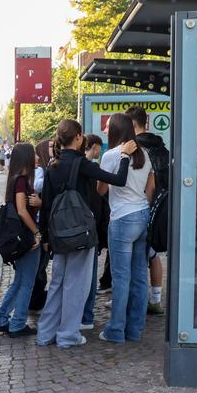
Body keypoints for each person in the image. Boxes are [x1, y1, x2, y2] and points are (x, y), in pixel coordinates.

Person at [36, 120, 136, 348]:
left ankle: (45, 334)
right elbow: (118, 180)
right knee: (76, 285)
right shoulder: (82, 164)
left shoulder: (53, 165)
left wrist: (45, 237)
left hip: (58, 234)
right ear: (79, 137)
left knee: (57, 283)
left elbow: (47, 205)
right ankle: (68, 336)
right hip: (80, 233)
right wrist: (124, 156)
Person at [96, 113, 154, 344]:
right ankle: (134, 329)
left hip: (121, 217)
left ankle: (116, 330)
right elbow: (150, 188)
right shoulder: (145, 154)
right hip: (141, 214)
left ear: (115, 131)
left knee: (121, 277)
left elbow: (100, 190)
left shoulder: (110, 155)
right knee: (140, 276)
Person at [0, 143, 42, 336]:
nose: (37, 157)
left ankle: (1, 318)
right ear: (27, 158)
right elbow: (22, 210)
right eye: (35, 154)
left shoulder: (15, 179)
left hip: (21, 236)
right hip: (27, 237)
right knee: (26, 282)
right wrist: (36, 232)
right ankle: (18, 323)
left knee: (19, 281)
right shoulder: (21, 181)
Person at [125, 105, 168, 315]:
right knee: (153, 254)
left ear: (132, 125)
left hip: (140, 204)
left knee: (136, 256)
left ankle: (134, 300)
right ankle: (156, 299)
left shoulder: (134, 148)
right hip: (161, 204)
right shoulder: (161, 147)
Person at [81, 133, 111, 329]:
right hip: (90, 227)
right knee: (89, 275)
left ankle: (82, 315)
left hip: (78, 228)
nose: (100, 151)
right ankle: (87, 316)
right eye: (99, 147)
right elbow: (99, 196)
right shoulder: (91, 169)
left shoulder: (76, 166)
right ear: (92, 146)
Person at [29, 138, 53, 312]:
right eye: (51, 146)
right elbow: (37, 186)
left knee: (42, 264)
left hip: (44, 221)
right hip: (37, 223)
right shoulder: (40, 171)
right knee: (38, 265)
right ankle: (35, 299)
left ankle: (37, 297)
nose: (55, 148)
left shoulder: (49, 168)